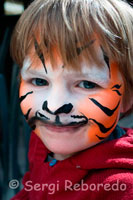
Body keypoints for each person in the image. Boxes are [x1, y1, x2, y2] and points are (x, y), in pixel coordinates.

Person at [10, 0, 133, 199]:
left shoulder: (122, 189)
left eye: (87, 84)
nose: (54, 107)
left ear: (127, 98)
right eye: (39, 81)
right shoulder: (43, 140)